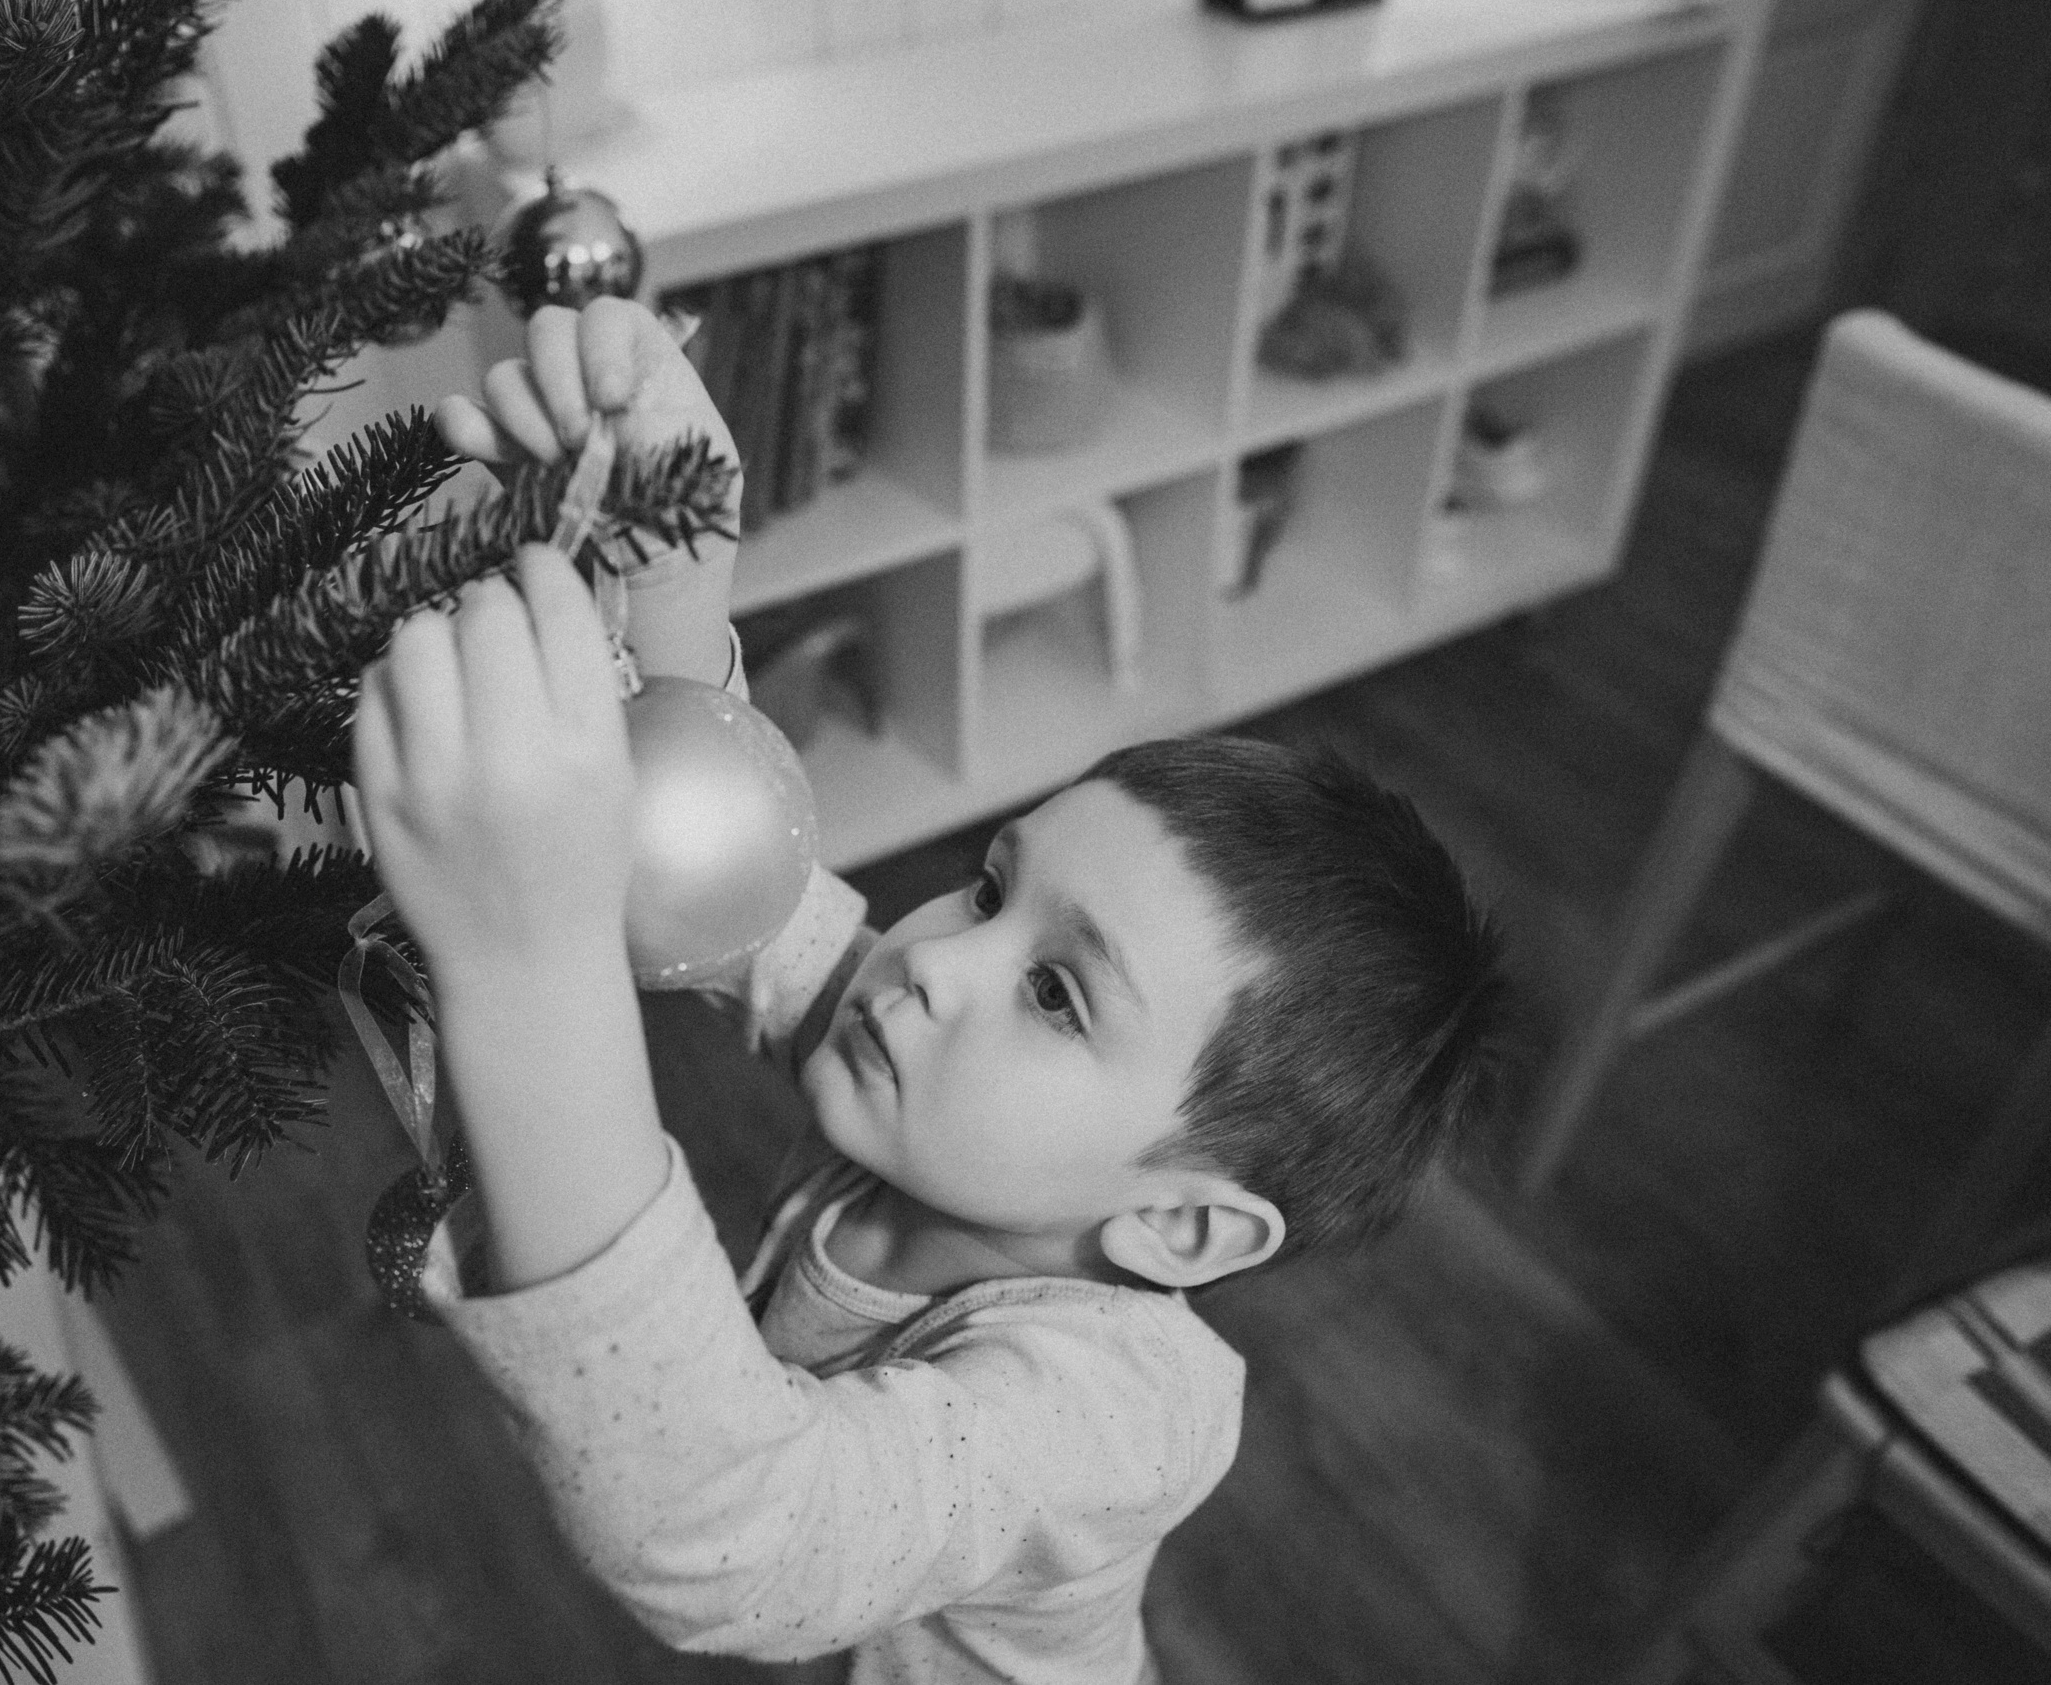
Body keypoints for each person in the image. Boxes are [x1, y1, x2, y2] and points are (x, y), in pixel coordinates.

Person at [351, 299, 1507, 1684]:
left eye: (1060, 998)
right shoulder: (947, 1097)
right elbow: (757, 913)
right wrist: (676, 606)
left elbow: (731, 1532)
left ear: (1184, 1226)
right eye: (986, 886)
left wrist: (528, 973)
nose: (934, 958)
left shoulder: (1118, 1417)